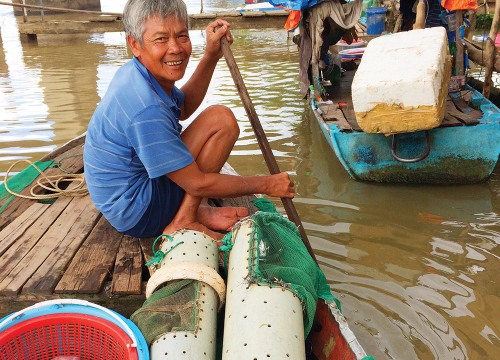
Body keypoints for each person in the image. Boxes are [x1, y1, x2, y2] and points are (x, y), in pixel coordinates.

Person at [83, 0, 295, 241]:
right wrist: (267, 184)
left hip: (125, 199)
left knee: (218, 118)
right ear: (135, 44)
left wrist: (211, 55)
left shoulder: (137, 72)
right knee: (221, 121)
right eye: (161, 39)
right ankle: (184, 220)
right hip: (137, 213)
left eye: (182, 36)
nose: (175, 48)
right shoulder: (144, 107)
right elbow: (197, 184)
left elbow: (182, 108)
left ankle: (192, 213)